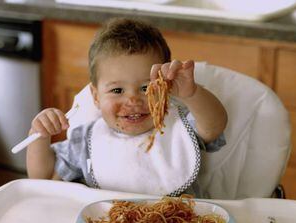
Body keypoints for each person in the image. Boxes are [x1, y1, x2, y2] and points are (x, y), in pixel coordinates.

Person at [26, 18, 227, 197]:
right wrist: (40, 136)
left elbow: (214, 126)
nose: (133, 100)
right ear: (96, 97)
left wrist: (191, 94)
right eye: (117, 90)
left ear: (165, 88)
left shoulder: (179, 125)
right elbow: (42, 177)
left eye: (146, 88)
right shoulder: (85, 141)